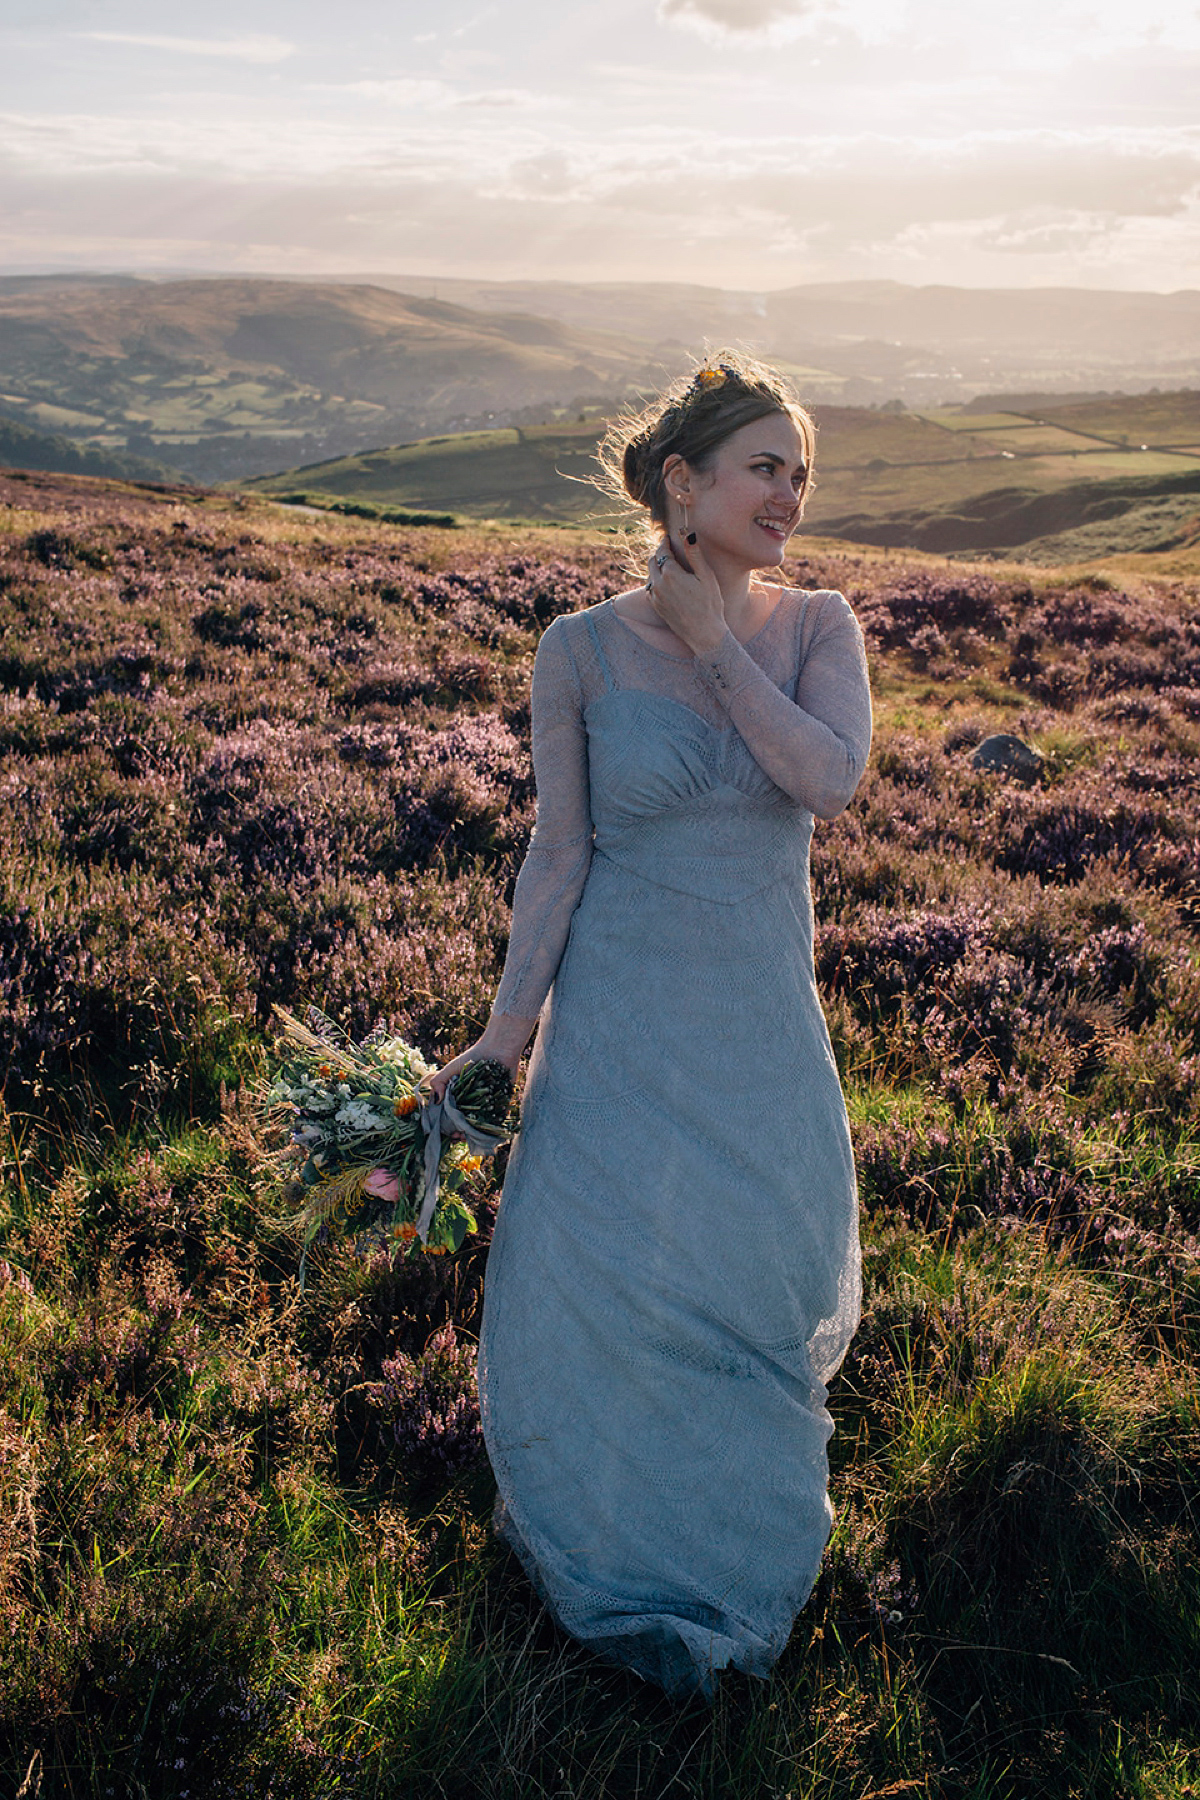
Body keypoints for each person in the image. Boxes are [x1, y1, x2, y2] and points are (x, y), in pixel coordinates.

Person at [429, 351, 873, 1698]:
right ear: (684, 483)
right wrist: (507, 1038)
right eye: (764, 466)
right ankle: (604, 1540)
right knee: (611, 1289)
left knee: (752, 1283)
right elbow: (559, 855)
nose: (789, 493)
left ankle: (740, 1563)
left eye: (800, 469)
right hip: (618, 1013)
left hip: (754, 1021)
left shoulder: (816, 629)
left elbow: (829, 779)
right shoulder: (573, 650)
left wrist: (714, 644)